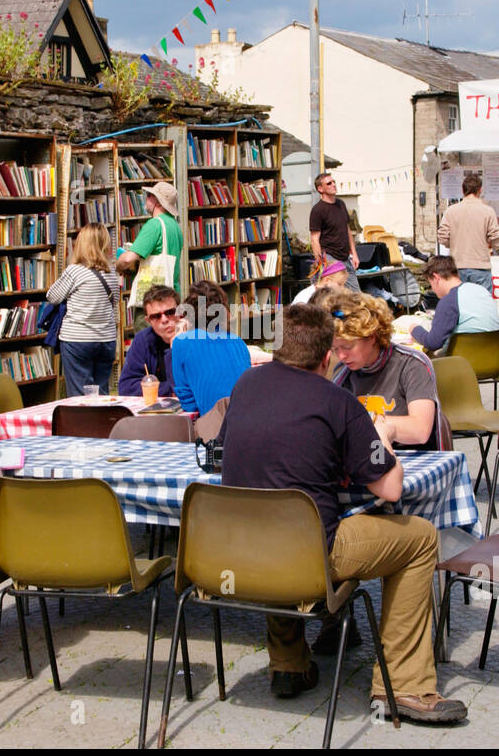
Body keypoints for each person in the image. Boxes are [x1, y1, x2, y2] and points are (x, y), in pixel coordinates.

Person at [218, 303, 467, 724]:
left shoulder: (244, 384)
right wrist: (382, 437)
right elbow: (389, 487)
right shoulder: (339, 401)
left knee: (277, 523)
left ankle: (288, 665)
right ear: (326, 357)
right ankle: (402, 687)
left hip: (242, 552)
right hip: (313, 554)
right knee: (420, 537)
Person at [328, 290, 442, 452]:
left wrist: (361, 421)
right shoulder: (342, 372)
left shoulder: (411, 364)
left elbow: (420, 431)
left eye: (347, 347)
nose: (341, 355)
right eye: (335, 349)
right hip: (366, 456)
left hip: (409, 455)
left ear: (372, 336)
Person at [46, 223, 121, 396]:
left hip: (77, 339)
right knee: (101, 392)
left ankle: (84, 423)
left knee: (81, 395)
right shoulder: (111, 272)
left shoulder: (75, 271)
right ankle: (102, 422)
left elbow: (52, 296)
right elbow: (115, 300)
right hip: (106, 340)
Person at [170, 280, 250, 414]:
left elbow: (187, 402)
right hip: (247, 421)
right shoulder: (238, 341)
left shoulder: (181, 342)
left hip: (215, 428)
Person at [411, 255, 499, 355]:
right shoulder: (481, 290)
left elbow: (433, 342)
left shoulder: (449, 300)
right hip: (494, 358)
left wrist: (414, 329)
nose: (433, 290)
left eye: (431, 284)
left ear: (436, 278)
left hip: (464, 362)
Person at [436, 173, 499, 293]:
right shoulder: (488, 211)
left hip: (457, 265)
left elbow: (442, 236)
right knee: (482, 306)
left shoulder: (451, 211)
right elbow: (495, 237)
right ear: (480, 190)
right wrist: (497, 247)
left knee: (460, 305)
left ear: (463, 190)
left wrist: (452, 244)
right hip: (480, 266)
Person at [116, 181, 184, 295]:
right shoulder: (175, 226)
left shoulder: (154, 225)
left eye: (150, 196)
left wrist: (117, 266)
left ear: (159, 203)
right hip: (172, 293)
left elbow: (128, 259)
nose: (145, 198)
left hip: (154, 296)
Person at [118, 285, 184, 397]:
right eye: (156, 316)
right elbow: (125, 387)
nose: (164, 320)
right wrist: (168, 390)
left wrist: (176, 346)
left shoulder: (197, 337)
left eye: (170, 312)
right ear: (148, 321)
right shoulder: (143, 340)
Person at [309, 171, 361, 291]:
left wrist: (354, 254)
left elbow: (347, 230)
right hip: (330, 257)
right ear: (320, 189)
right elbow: (314, 239)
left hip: (345, 256)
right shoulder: (318, 210)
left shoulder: (341, 204)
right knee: (333, 294)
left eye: (334, 182)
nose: (333, 184)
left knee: (356, 295)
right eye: (329, 183)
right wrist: (320, 263)